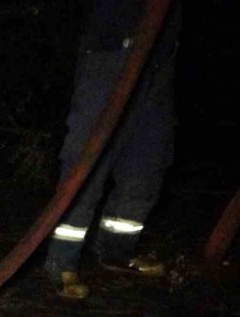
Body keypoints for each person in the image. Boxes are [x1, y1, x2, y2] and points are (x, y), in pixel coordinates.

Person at [45, 0, 181, 299]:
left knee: (147, 161)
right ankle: (62, 259)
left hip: (159, 60)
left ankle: (116, 252)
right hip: (111, 49)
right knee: (89, 157)